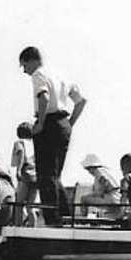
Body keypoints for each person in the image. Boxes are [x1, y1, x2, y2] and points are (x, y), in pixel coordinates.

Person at [18, 46, 87, 225]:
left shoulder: (38, 75)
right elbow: (81, 101)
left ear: (31, 60)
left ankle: (53, 220)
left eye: (24, 65)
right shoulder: (60, 75)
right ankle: (65, 216)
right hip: (63, 124)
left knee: (45, 176)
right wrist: (70, 124)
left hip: (49, 124)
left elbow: (44, 98)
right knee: (55, 176)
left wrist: (40, 123)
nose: (24, 70)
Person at [10, 123, 39, 227]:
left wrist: (18, 170)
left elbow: (21, 154)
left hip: (25, 174)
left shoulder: (20, 143)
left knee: (19, 204)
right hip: (36, 175)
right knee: (30, 206)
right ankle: (33, 228)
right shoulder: (35, 144)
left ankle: (17, 226)